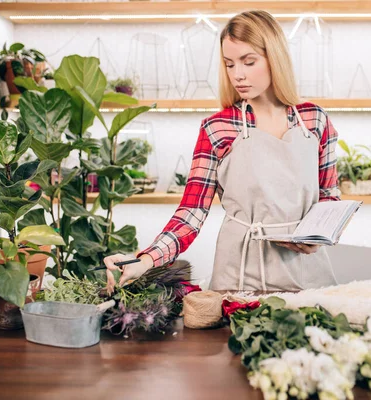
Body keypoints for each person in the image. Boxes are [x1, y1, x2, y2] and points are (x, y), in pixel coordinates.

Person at [104, 10, 341, 292]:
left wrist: (318, 236)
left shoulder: (315, 120)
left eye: (248, 61)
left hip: (308, 276)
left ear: (274, 58)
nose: (237, 75)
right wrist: (145, 260)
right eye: (229, 64)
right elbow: (191, 213)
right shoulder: (217, 128)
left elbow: (329, 198)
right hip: (240, 275)